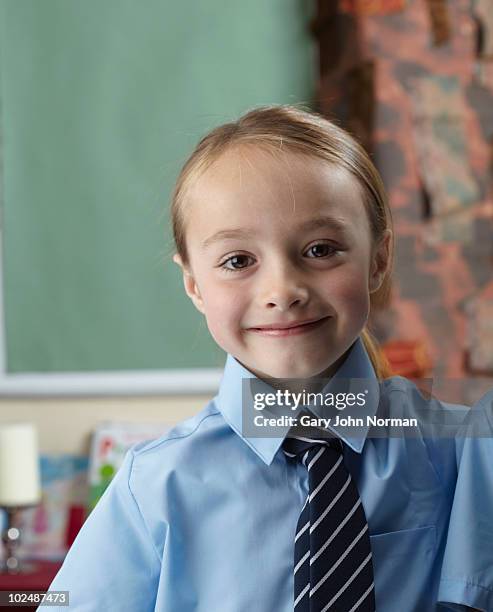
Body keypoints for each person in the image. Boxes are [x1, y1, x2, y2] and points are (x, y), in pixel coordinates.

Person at [47, 105, 492, 611]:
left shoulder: (463, 453)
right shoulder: (153, 486)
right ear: (194, 283)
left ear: (379, 259)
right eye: (238, 261)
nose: (283, 290)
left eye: (321, 249)